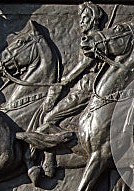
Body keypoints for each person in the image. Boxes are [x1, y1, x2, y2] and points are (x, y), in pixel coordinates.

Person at [38, 1, 104, 133]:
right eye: (80, 18)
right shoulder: (94, 37)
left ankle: (68, 140)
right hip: (85, 85)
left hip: (87, 86)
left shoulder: (93, 39)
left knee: (49, 119)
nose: (81, 22)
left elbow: (85, 63)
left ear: (93, 19)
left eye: (84, 18)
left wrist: (65, 81)